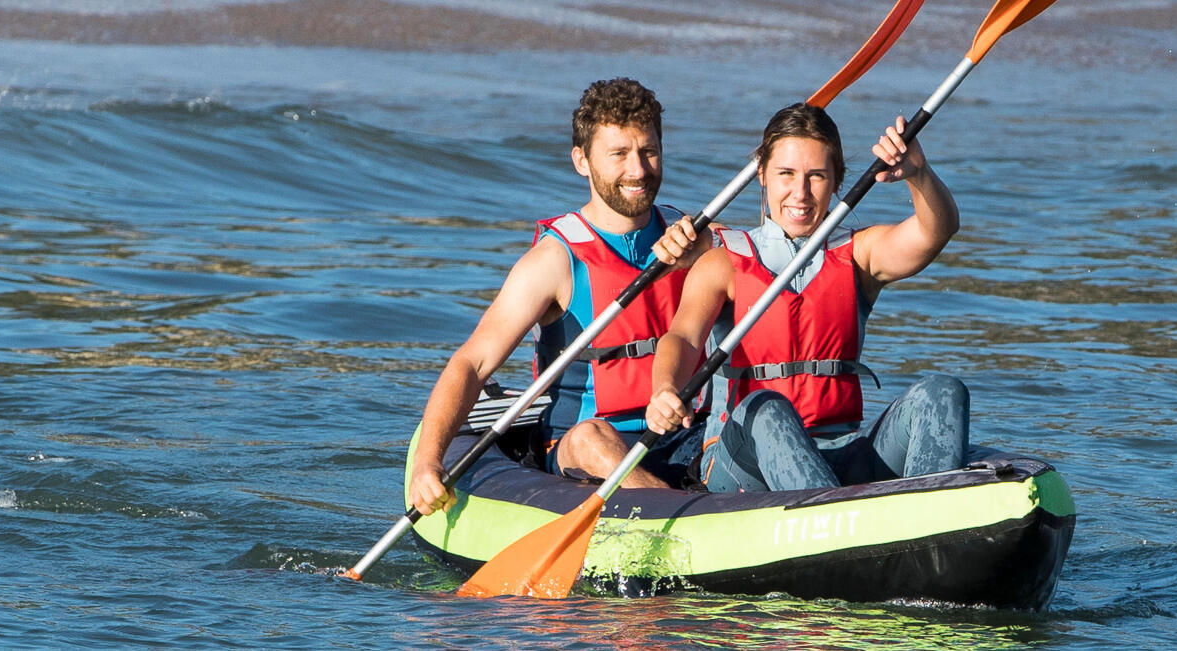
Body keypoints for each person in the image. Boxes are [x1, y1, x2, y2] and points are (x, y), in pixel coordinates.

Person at [407, 78, 712, 516]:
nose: (639, 170)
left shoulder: (694, 237)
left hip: (685, 434)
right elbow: (472, 363)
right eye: (619, 154)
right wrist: (427, 463)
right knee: (592, 440)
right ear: (582, 161)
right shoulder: (554, 261)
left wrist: (708, 250)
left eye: (648, 151)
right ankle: (685, 515)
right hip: (585, 445)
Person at [645, 103, 969, 492]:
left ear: (836, 181)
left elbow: (938, 230)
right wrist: (664, 389)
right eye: (786, 174)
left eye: (816, 176)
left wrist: (919, 175)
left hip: (840, 449)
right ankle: (834, 531)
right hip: (741, 459)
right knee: (766, 407)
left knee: (943, 391)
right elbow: (683, 337)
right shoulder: (722, 262)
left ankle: (929, 521)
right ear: (762, 174)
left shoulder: (860, 255)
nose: (800, 193)